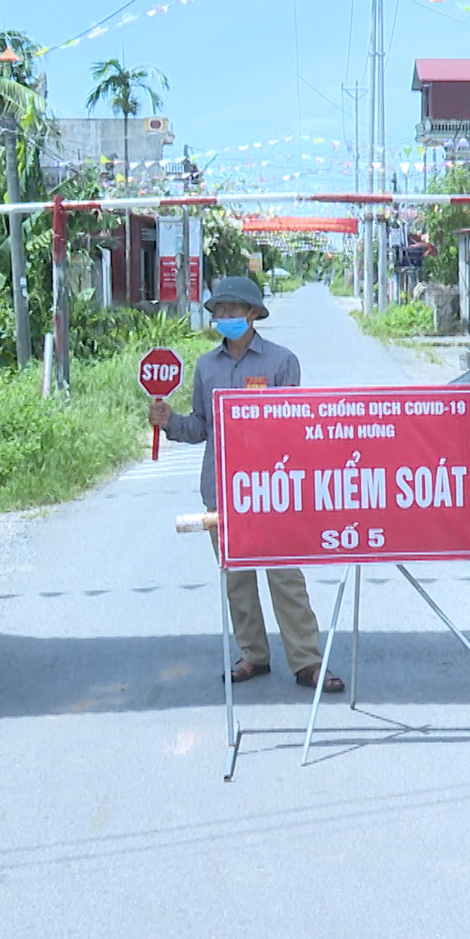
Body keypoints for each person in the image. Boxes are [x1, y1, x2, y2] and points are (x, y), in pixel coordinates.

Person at [148, 275, 343, 693]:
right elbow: (201, 426)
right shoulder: (206, 367)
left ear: (254, 314)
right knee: (236, 577)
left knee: (284, 576)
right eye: (219, 310)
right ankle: (253, 655)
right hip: (221, 489)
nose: (224, 317)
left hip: (272, 491)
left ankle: (307, 660)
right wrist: (169, 424)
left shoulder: (280, 362)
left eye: (233, 310)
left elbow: (294, 426)